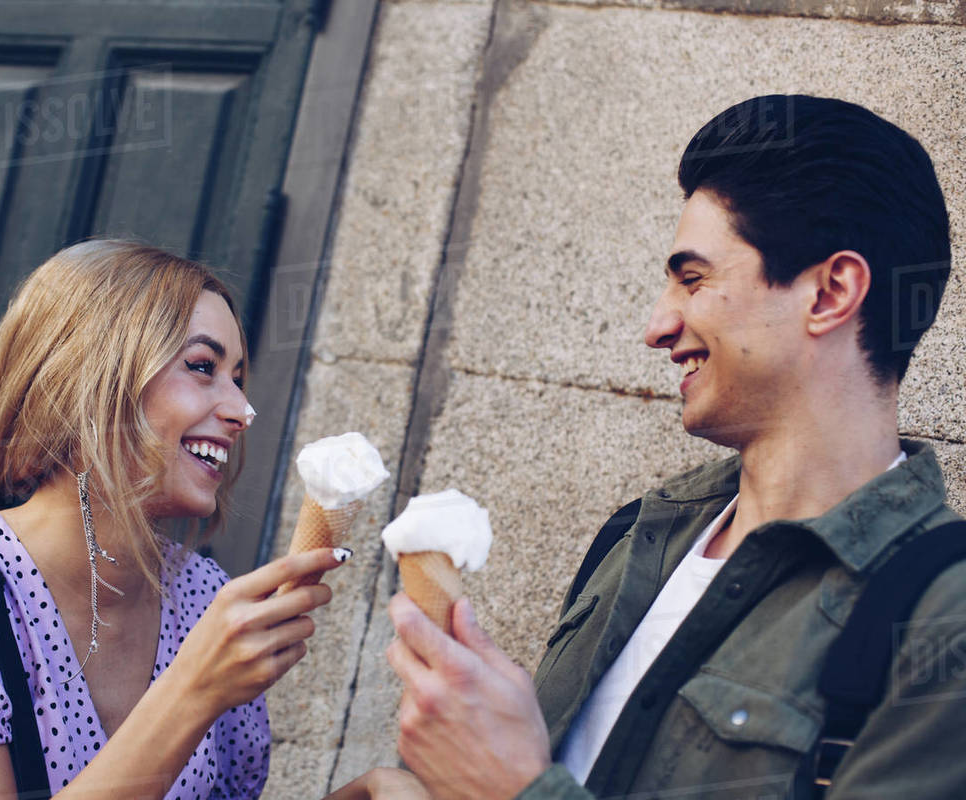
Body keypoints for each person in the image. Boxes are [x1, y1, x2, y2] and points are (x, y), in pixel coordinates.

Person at [330, 95, 963, 799]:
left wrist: (511, 789)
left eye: (693, 280)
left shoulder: (944, 617)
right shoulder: (638, 536)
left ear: (830, 292)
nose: (657, 326)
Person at [0, 240, 349, 799]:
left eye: (239, 379)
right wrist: (194, 691)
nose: (241, 411)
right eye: (203, 367)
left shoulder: (204, 597)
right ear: (91, 381)